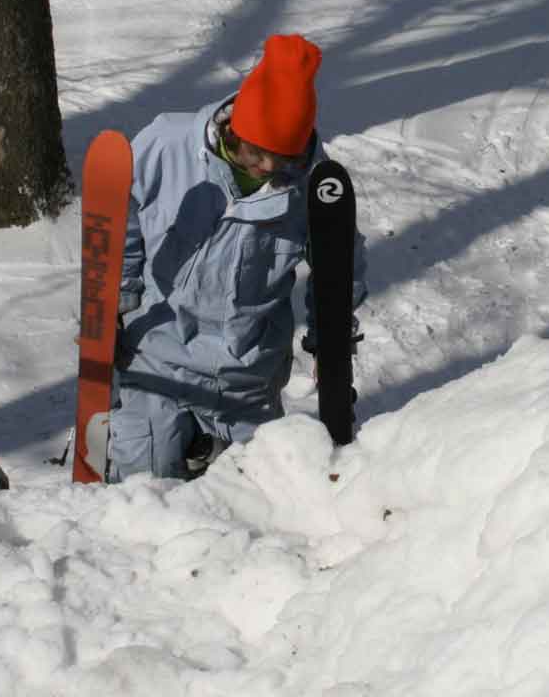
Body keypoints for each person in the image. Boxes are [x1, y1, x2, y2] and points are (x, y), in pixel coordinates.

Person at [103, 34, 368, 481]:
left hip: (246, 375)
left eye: (281, 158)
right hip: (157, 361)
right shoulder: (167, 145)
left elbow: (338, 268)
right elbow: (117, 212)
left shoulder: (313, 187)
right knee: (138, 494)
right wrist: (120, 291)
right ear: (234, 127)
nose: (267, 167)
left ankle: (208, 448)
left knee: (250, 511)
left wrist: (331, 341)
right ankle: (188, 447)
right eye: (256, 153)